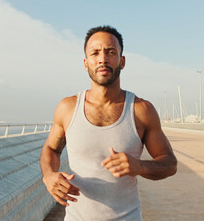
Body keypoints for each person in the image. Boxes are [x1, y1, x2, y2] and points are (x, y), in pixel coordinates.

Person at [40, 25, 177, 220]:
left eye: (110, 52)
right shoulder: (67, 108)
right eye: (95, 53)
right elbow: (51, 150)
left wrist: (139, 166)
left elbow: (170, 163)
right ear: (86, 63)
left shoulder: (141, 110)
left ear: (122, 61)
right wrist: (48, 175)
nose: (103, 59)